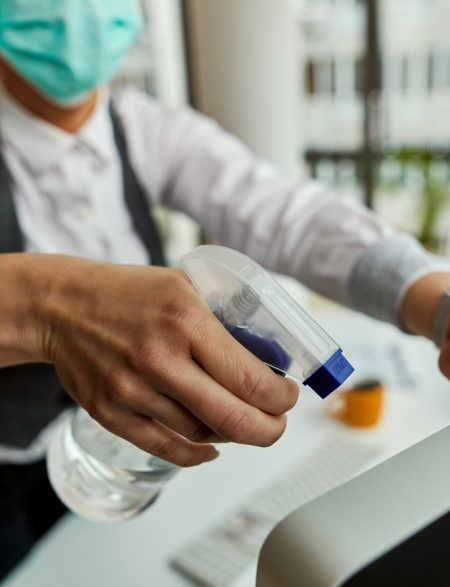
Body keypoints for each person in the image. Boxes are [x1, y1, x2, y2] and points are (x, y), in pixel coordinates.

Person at [0, 0, 449, 578]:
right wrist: (50, 306)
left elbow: (288, 215)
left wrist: (437, 303)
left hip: (124, 462)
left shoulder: (146, 128)